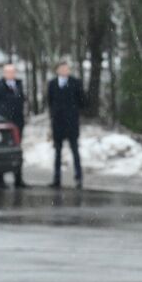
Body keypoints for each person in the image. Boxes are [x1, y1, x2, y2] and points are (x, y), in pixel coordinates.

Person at [0, 63, 27, 189]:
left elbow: (22, 102)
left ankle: (18, 179)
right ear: (4, 73)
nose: (11, 74)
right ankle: (0, 180)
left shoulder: (18, 86)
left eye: (13, 72)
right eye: (8, 72)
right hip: (3, 124)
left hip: (17, 123)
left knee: (17, 151)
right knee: (1, 152)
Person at [46, 60, 86, 189]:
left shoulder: (75, 83)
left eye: (67, 69)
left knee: (75, 150)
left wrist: (73, 111)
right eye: (62, 69)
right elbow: (50, 102)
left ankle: (78, 177)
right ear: (57, 70)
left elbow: (83, 101)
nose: (65, 71)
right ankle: (56, 179)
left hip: (72, 123)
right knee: (57, 152)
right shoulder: (52, 84)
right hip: (58, 123)